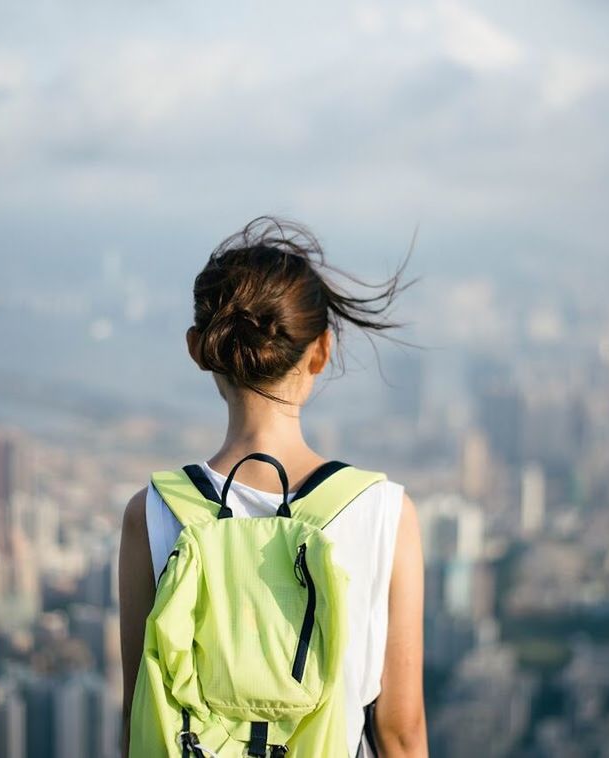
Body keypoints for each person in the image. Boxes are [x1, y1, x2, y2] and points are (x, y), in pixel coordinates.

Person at [118, 217, 427, 756]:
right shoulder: (384, 514)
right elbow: (400, 732)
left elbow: (138, 716)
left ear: (199, 349)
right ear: (320, 352)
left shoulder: (152, 512)